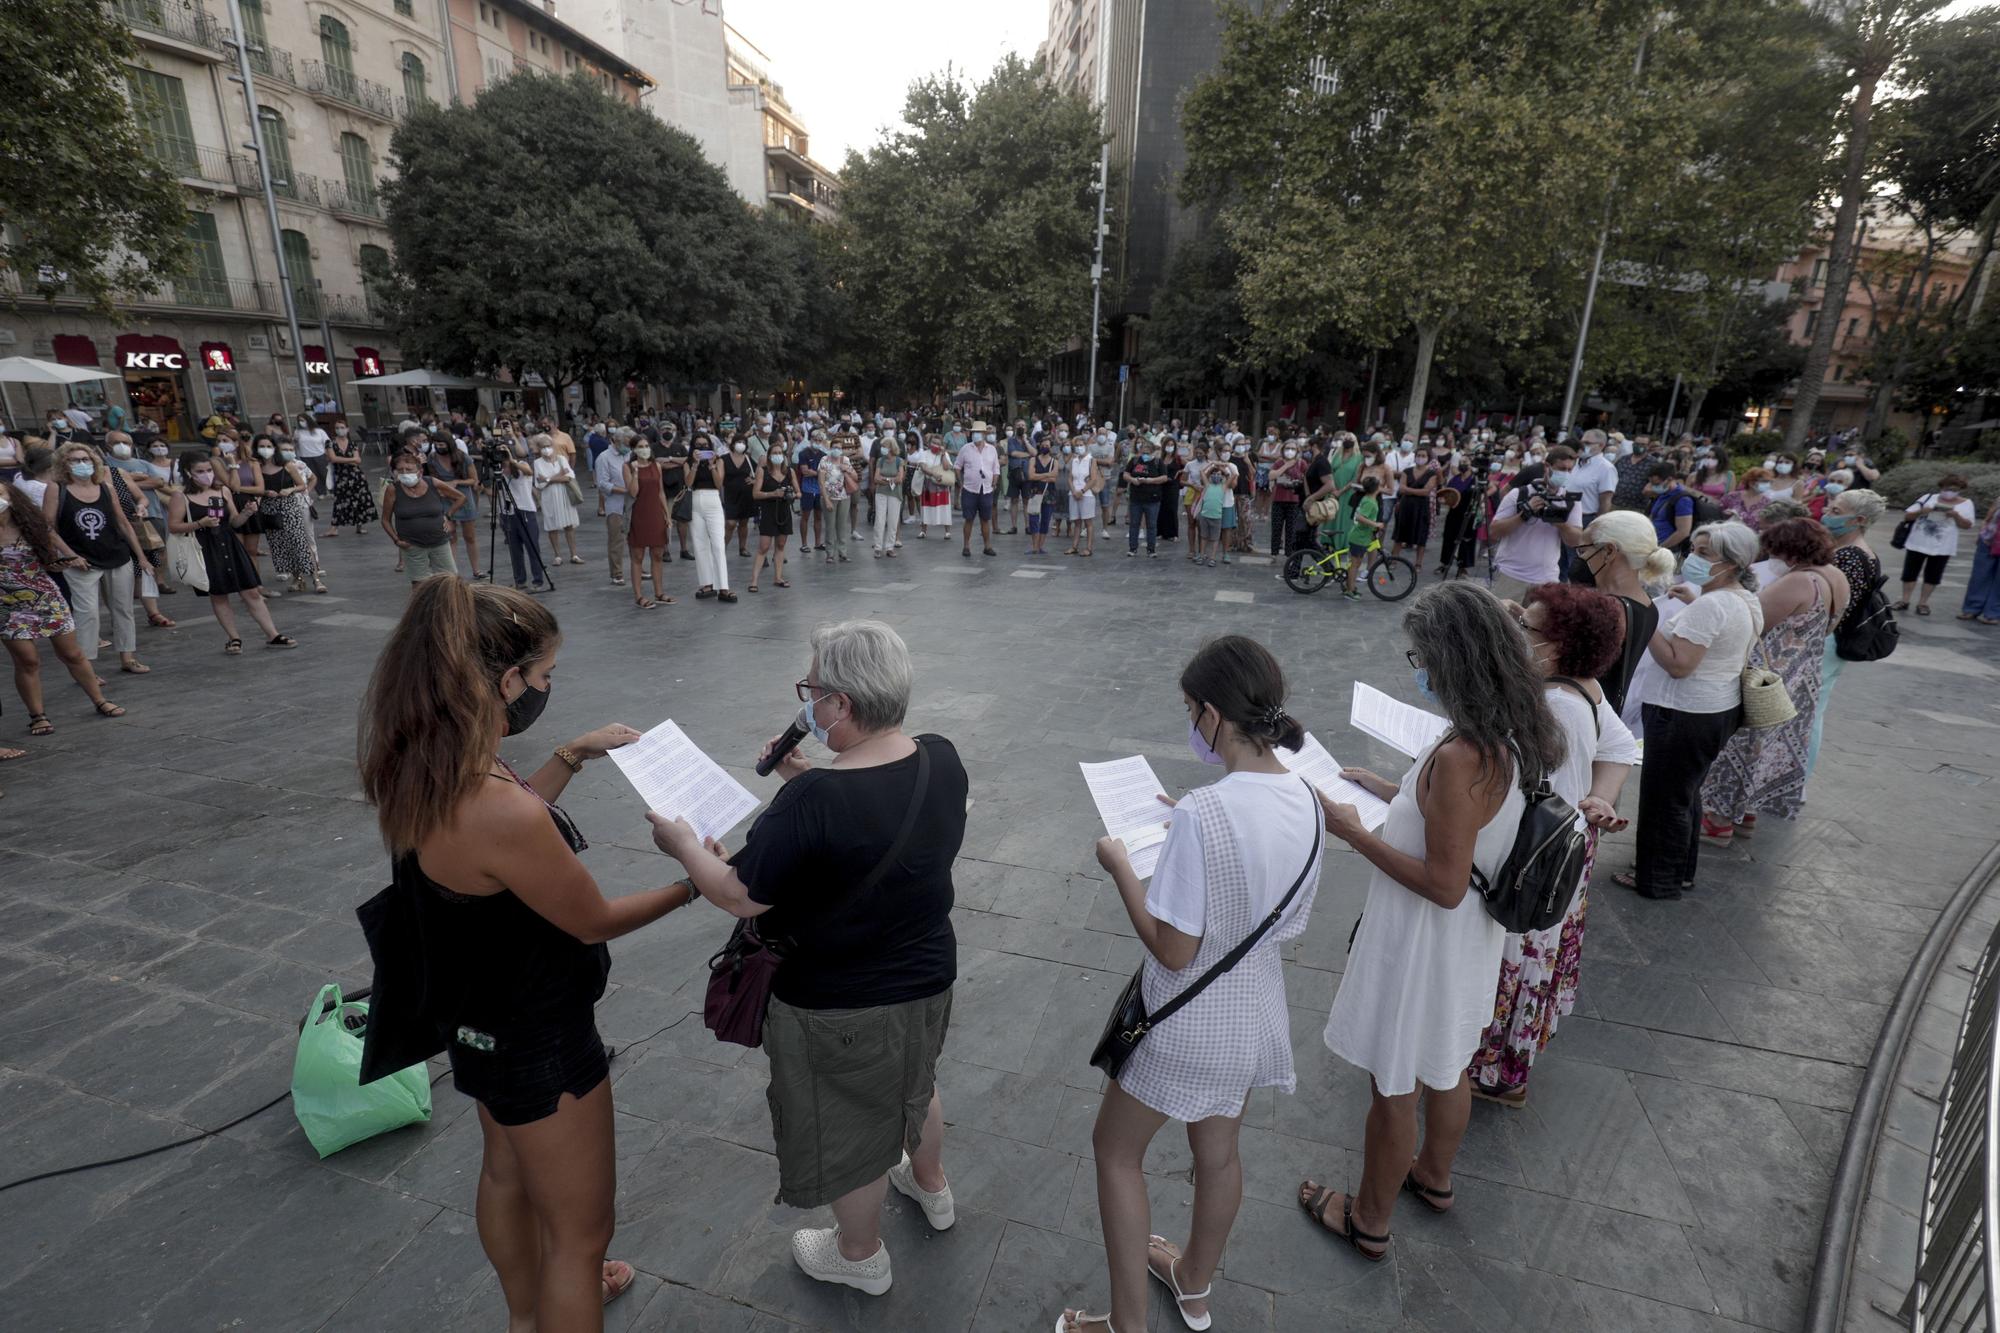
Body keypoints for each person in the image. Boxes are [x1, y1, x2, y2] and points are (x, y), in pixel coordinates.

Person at [358, 579, 687, 1330]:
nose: (544, 688)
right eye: (541, 676)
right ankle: (561, 1302)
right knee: (580, 1237)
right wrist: (694, 881)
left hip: (476, 1018)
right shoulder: (496, 807)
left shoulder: (425, 760)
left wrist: (571, 752)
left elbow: (496, 849)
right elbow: (593, 918)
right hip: (541, 1037)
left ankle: (523, 1317)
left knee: (506, 1171)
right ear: (505, 681)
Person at [646, 620, 968, 1300]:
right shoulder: (941, 757)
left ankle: (858, 1254)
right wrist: (803, 776)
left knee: (850, 1122)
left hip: (841, 1002)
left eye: (814, 690)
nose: (809, 705)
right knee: (916, 1081)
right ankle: (932, 1185)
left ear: (841, 706)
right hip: (927, 976)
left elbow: (737, 893)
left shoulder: (814, 800)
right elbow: (879, 828)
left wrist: (683, 845)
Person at [1060, 636, 1324, 1333]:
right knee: (1219, 1155)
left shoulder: (1206, 813)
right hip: (1255, 1014)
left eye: (1188, 710)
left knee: (1115, 1152)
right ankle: (1194, 1284)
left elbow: (1174, 951)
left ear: (1211, 714)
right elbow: (1282, 912)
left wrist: (1121, 866)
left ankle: (1124, 1325)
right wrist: (1190, 823)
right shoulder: (1307, 796)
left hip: (1182, 1025)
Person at [1305, 583, 1562, 1260]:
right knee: (1449, 1065)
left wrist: (1351, 829)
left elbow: (1444, 884)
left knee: (1394, 1088)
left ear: (1453, 660)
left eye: (1420, 655)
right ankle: (1435, 1177)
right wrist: (1390, 792)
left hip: (1424, 943)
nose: (1416, 667)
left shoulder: (1459, 754)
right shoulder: (1510, 730)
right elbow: (1465, 827)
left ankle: (1368, 1217)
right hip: (1468, 943)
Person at [1468, 585, 1637, 1106]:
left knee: (1512, 962)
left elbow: (1542, 806)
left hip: (1532, 866)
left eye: (1528, 628)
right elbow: (1621, 745)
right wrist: (1599, 799)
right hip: (1563, 856)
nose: (1517, 634)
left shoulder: (1557, 705)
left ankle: (1495, 1072)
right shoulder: (1582, 685)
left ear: (1559, 644)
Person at [1614, 522, 1764, 899]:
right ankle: (1676, 871)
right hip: (1712, 709)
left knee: (1664, 800)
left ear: (1731, 563)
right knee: (1683, 795)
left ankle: (1657, 879)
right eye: (1694, 550)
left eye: (1704, 554)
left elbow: (1679, 664)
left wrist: (1646, 618)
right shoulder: (1738, 598)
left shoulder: (1714, 604)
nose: (1693, 559)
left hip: (1684, 713)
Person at [1698, 518, 1849, 841]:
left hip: (1766, 676)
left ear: (1789, 551)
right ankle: (1746, 813)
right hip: (1802, 674)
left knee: (1741, 745)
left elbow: (1753, 621)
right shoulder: (1835, 577)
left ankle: (1719, 819)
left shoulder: (1797, 582)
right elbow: (1829, 625)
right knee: (1768, 746)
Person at [3, 478, 125, 737]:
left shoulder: (29, 524)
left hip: (45, 597)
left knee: (72, 654)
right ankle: (37, 715)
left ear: (10, 496)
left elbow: (49, 557)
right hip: (7, 605)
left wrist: (60, 562)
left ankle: (99, 699)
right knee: (27, 660)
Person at [45, 442, 153, 676]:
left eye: (85, 459)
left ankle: (128, 657)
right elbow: (48, 527)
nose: (81, 464)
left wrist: (141, 557)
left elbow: (123, 523)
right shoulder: (57, 488)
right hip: (81, 562)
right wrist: (70, 555)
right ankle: (87, 668)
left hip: (116, 555)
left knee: (123, 609)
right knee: (87, 614)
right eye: (74, 460)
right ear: (64, 464)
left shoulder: (105, 487)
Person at [168, 452, 292, 652]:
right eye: (200, 471)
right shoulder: (181, 496)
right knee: (219, 594)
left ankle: (272, 634)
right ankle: (234, 638)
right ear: (188, 473)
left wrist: (247, 513)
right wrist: (200, 523)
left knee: (251, 591)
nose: (206, 475)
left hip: (229, 543)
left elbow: (234, 521)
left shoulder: (222, 491)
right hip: (205, 548)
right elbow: (173, 526)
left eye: (209, 470)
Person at [1577, 510, 1672, 715]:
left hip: (1581, 714)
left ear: (1609, 551)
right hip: (1602, 715)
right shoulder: (1646, 604)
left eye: (1583, 550)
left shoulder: (1608, 611)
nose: (1582, 557)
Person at [1487, 446, 1585, 603]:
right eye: (1561, 468)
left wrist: (1559, 521)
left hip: (1547, 579)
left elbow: (1575, 541)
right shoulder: (1519, 494)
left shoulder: (1570, 500)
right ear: (1547, 466)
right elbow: (1494, 532)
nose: (1565, 473)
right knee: (1501, 625)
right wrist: (1525, 513)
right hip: (1511, 575)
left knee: (1537, 627)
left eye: (1569, 470)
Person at [380, 449, 466, 586]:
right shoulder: (393, 490)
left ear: (419, 472)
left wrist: (448, 516)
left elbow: (460, 497)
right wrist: (396, 540)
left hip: (439, 541)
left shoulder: (433, 483)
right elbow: (385, 519)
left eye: (408, 469)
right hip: (411, 545)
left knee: (450, 581)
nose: (404, 473)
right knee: (419, 585)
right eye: (400, 470)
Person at [1897, 475, 1977, 616]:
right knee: (1910, 572)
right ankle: (1904, 600)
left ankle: (1923, 603)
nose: (1949, 492)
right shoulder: (1928, 498)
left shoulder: (1966, 503)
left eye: (1954, 490)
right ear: (1941, 487)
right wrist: (1922, 511)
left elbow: (1968, 525)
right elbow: (1908, 516)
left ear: (1960, 490)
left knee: (1933, 575)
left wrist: (1956, 516)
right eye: (1947, 489)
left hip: (1943, 546)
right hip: (1917, 542)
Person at [257, 434, 325, 594]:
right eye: (262, 446)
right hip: (269, 509)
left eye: (268, 446)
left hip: (289, 507)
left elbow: (302, 485)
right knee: (281, 546)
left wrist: (290, 490)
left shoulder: (287, 465)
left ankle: (316, 579)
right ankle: (297, 578)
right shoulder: (257, 468)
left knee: (300, 542)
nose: (265, 450)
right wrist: (265, 492)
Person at [687, 435, 735, 602]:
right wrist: (694, 464)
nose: (702, 448)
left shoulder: (718, 461)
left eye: (705, 445)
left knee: (718, 544)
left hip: (713, 499)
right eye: (698, 445)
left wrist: (711, 465)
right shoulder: (688, 462)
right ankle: (706, 583)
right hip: (695, 499)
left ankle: (723, 586)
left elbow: (719, 483)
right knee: (700, 544)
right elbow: (688, 483)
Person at [531, 436, 581, 567]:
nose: (546, 449)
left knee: (569, 525)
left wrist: (548, 479)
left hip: (565, 495)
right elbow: (539, 484)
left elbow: (569, 477)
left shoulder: (561, 459)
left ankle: (574, 554)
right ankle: (557, 555)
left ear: (552, 446)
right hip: (549, 497)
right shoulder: (537, 463)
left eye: (548, 445)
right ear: (539, 448)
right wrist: (559, 475)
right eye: (542, 446)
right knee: (552, 526)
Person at [749, 449, 794, 592]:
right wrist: (773, 493)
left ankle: (778, 577)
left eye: (780, 452)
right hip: (768, 511)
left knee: (780, 545)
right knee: (764, 547)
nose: (778, 455)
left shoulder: (789, 472)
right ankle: (754, 581)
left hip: (784, 511)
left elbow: (798, 492)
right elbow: (755, 494)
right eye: (774, 452)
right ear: (769, 456)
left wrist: (791, 494)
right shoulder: (763, 471)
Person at [1389, 445, 1438, 571]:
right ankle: (1394, 559)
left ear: (1428, 458)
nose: (1420, 458)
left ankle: (1418, 564)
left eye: (1423, 456)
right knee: (1400, 533)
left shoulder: (1432, 474)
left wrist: (1409, 490)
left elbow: (1426, 491)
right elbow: (1401, 488)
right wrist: (1417, 491)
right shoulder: (1407, 471)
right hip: (1406, 506)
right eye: (1418, 455)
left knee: (1421, 534)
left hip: (1422, 507)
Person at [328, 424, 381, 540]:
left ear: (347, 429)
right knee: (340, 500)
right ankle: (334, 528)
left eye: (342, 427)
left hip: (356, 475)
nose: (339, 430)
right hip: (341, 476)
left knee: (360, 500)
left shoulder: (352, 444)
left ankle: (359, 526)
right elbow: (333, 459)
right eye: (337, 427)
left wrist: (343, 460)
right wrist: (351, 459)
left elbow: (358, 461)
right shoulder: (330, 443)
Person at [1121, 435, 1171, 557]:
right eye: (1144, 452)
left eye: (1148, 452)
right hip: (1136, 498)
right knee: (1134, 524)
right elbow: (1125, 474)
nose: (1145, 455)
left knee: (1151, 524)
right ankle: (1133, 548)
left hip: (1152, 499)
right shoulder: (1134, 461)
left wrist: (1150, 480)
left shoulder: (1158, 462)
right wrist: (1133, 480)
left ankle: (1151, 548)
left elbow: (1164, 478)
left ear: (1153, 452)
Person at [593, 429, 630, 588]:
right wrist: (623, 490)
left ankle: (639, 568)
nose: (629, 446)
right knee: (616, 539)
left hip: (632, 503)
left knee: (636, 538)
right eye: (627, 443)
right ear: (617, 441)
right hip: (615, 504)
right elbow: (602, 483)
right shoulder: (604, 458)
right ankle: (617, 573)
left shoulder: (629, 454)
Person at [1433, 456, 1481, 578]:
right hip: (1454, 513)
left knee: (1467, 540)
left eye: (1465, 462)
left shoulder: (1475, 479)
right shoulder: (1455, 479)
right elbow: (1446, 493)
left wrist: (1480, 503)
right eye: (1460, 462)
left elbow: (1489, 489)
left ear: (1471, 464)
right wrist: (1444, 500)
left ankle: (1463, 567)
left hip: (1470, 514)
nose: (1462, 464)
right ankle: (1445, 563)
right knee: (1449, 538)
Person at [957, 423, 1000, 558]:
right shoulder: (965, 448)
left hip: (986, 489)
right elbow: (957, 466)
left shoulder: (992, 449)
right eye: (974, 432)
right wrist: (960, 482)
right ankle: (966, 546)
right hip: (969, 489)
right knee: (968, 518)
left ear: (984, 434)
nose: (976, 434)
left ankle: (987, 546)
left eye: (979, 432)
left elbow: (996, 468)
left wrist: (994, 482)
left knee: (985, 519)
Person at [1957, 492, 2000, 625]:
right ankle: (1972, 608)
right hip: (1989, 539)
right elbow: (1990, 516)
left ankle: (1993, 613)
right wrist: (1982, 531)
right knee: (1979, 575)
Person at [1342, 476, 1385, 601]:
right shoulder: (1370, 502)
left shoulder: (1367, 498)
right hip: (1359, 537)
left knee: (1355, 563)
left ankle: (1350, 586)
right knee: (1355, 564)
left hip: (1361, 536)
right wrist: (1376, 524)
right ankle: (1350, 590)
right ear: (1376, 488)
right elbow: (1361, 518)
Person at [1646, 461, 1696, 555]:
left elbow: (1683, 532)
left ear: (1669, 479)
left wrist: (1660, 548)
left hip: (1666, 551)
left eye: (1656, 484)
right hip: (1652, 545)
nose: (1653, 487)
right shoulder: (1663, 493)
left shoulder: (1683, 500)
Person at [722, 434, 756, 558]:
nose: (741, 444)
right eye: (738, 441)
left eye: (743, 442)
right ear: (733, 443)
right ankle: (722, 548)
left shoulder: (748, 458)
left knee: (744, 522)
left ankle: (743, 547)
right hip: (730, 495)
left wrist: (754, 481)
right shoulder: (724, 458)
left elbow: (758, 472)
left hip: (746, 495)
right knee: (730, 523)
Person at [1270, 441, 1307, 555]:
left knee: (1291, 530)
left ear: (1297, 451)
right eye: (1287, 448)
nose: (1290, 451)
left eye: (1293, 449)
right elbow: (1271, 476)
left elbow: (1306, 479)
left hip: (1294, 500)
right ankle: (1274, 552)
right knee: (1276, 528)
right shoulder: (1279, 462)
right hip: (1278, 499)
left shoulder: (1302, 463)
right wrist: (1286, 465)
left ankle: (1289, 553)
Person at [820, 439, 854, 563]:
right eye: (834, 447)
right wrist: (826, 499)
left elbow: (854, 476)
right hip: (829, 496)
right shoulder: (824, 460)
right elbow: (821, 482)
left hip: (844, 497)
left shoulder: (845, 460)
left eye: (839, 448)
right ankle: (830, 553)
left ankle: (843, 552)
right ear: (830, 448)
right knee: (830, 526)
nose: (836, 450)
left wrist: (847, 469)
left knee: (842, 525)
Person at [872, 434, 905, 557]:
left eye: (884, 446)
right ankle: (877, 547)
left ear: (891, 447)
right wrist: (890, 479)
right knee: (879, 520)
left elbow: (900, 478)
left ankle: (889, 547)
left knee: (893, 520)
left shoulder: (899, 461)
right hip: (881, 492)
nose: (882, 448)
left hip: (895, 494)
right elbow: (876, 478)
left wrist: (884, 479)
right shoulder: (880, 461)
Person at [1067, 441, 1102, 558]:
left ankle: (1088, 547)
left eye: (1081, 445)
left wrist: (1082, 491)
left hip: (1086, 494)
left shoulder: (1091, 460)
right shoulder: (1074, 460)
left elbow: (1093, 479)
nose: (1079, 447)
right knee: (1076, 521)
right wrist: (1073, 491)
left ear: (1086, 446)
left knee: (1088, 522)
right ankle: (1074, 546)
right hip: (1073, 493)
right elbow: (1070, 478)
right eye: (1076, 445)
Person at [795, 431, 825, 555]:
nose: (817, 442)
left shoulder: (824, 455)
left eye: (819, 440)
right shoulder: (803, 453)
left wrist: (816, 473)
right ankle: (804, 544)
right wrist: (819, 473)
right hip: (807, 489)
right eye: (815, 439)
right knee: (805, 516)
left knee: (818, 516)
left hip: (819, 489)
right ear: (811, 439)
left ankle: (817, 543)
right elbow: (805, 471)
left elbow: (826, 472)